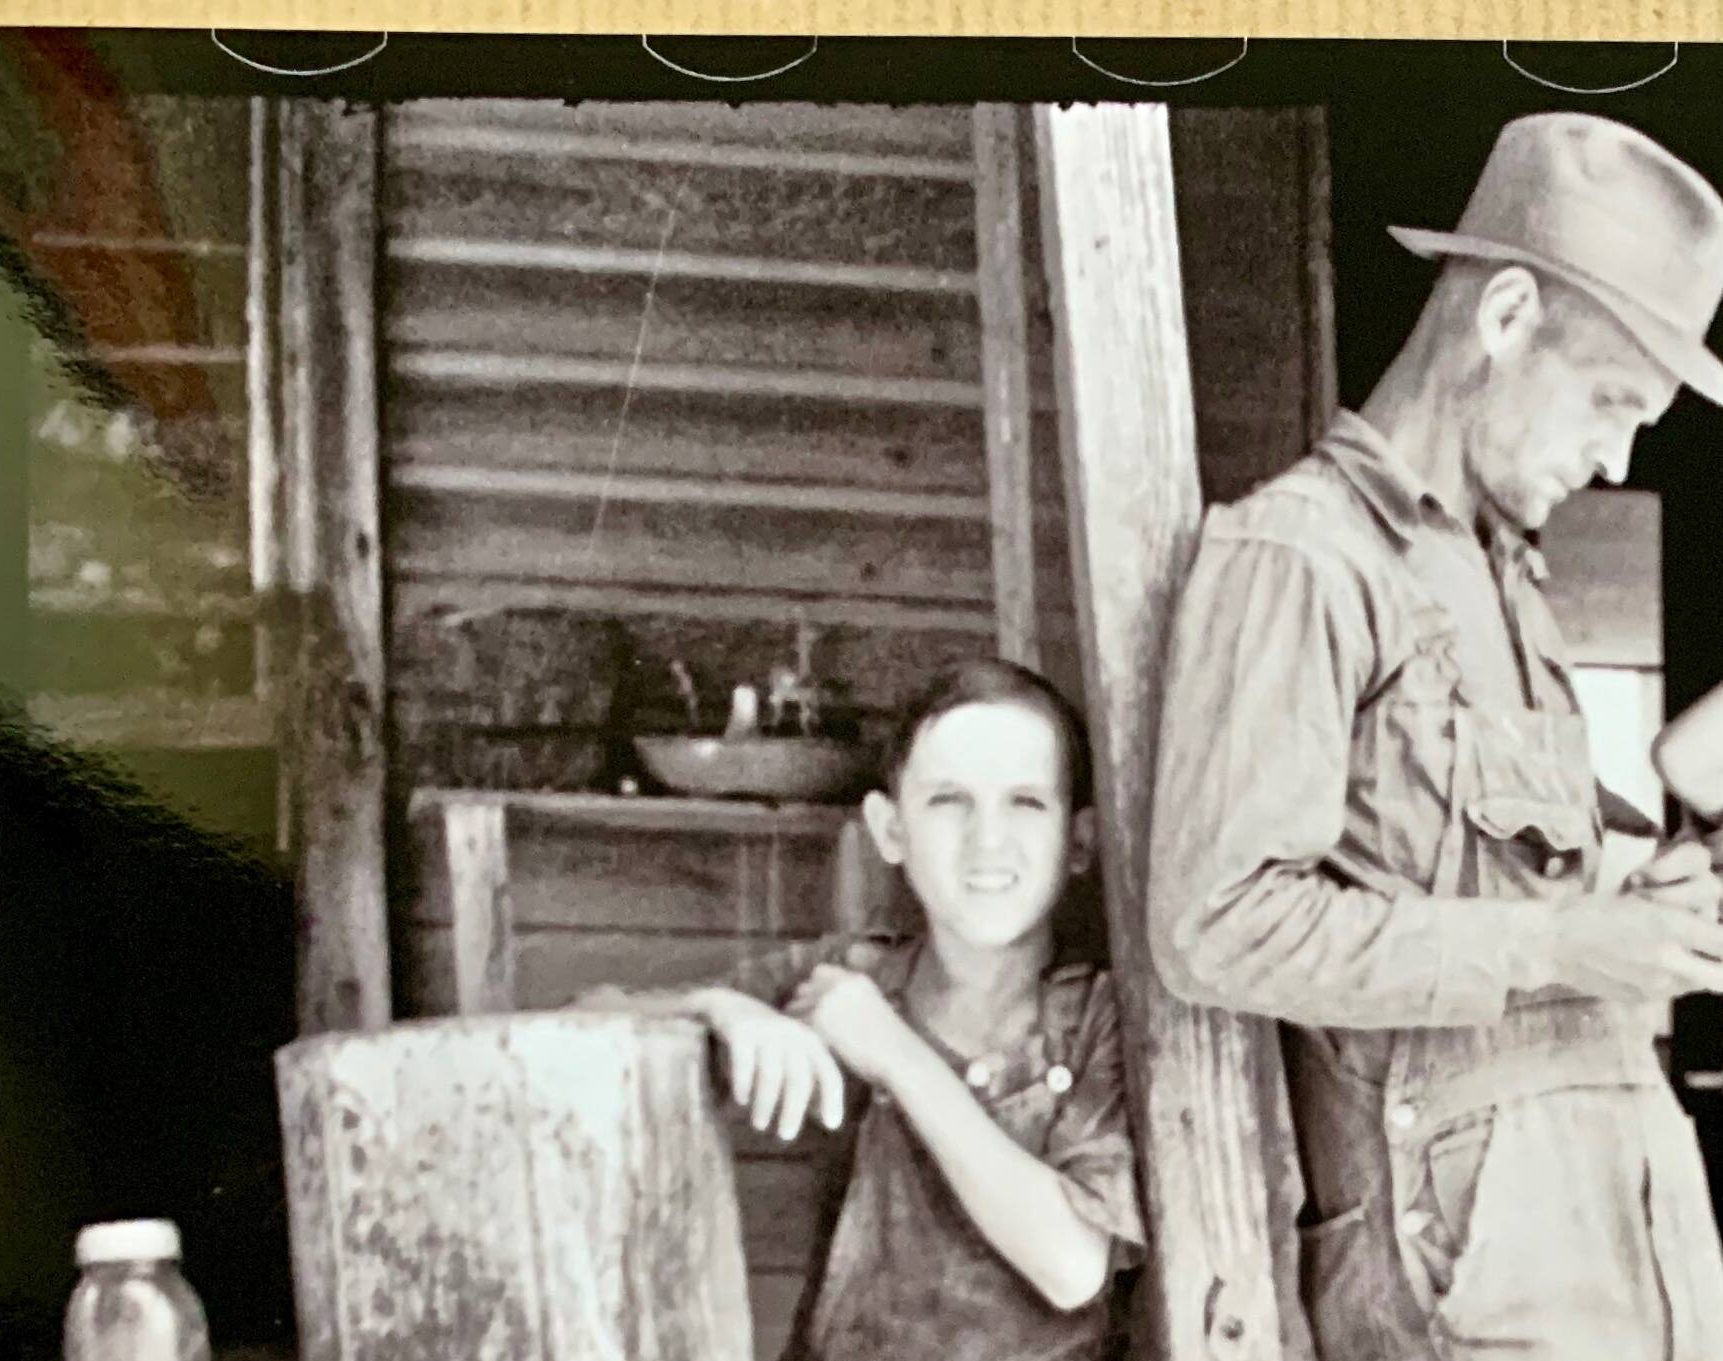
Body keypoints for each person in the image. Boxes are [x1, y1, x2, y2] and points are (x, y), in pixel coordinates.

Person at [1147, 112, 1723, 1360]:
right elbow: (1217, 922)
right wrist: (1567, 938)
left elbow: (1484, 886)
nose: (1617, 455)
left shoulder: (1498, 572)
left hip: (1620, 1233)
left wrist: (1640, 902)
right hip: (1467, 1278)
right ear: (1504, 315)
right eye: (1612, 402)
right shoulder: (1300, 553)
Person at [578, 659, 1146, 1361]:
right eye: (947, 800)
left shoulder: (1099, 1018)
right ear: (890, 828)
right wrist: (722, 1008)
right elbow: (589, 1018)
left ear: (1080, 841)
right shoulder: (851, 978)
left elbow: (1071, 1265)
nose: (986, 839)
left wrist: (893, 1053)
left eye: (1025, 801)